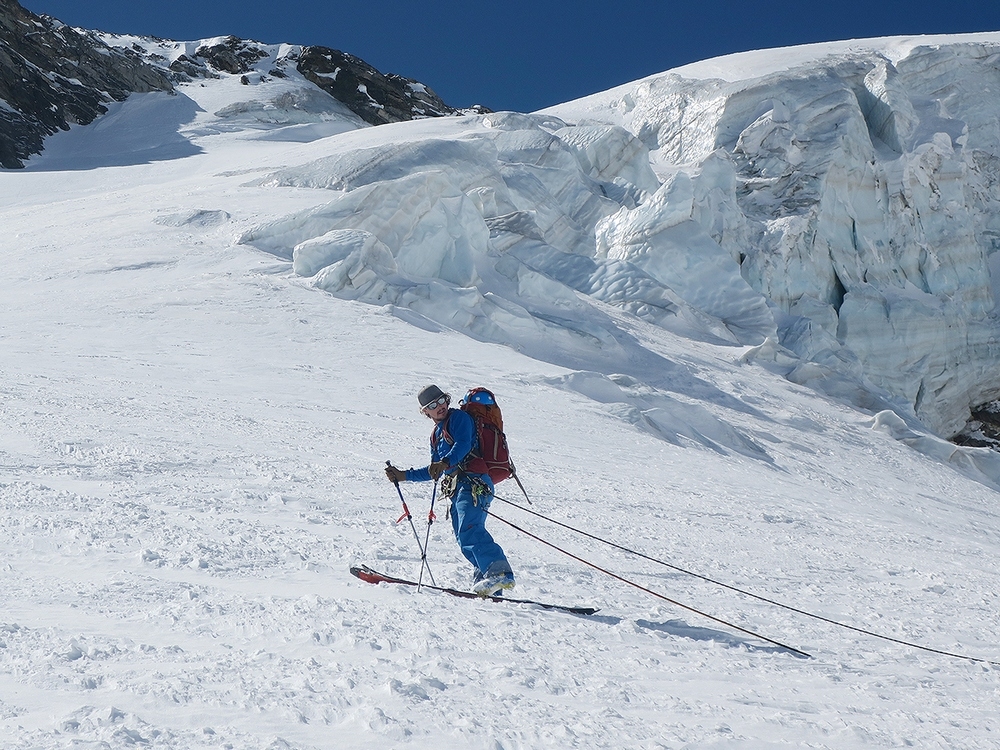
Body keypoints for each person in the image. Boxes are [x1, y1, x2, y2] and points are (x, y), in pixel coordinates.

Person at [385, 384, 515, 597]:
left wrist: (445, 462)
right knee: (464, 537)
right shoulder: (436, 435)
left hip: (474, 482)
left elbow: (463, 445)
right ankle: (489, 585)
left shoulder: (459, 419)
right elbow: (434, 470)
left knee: (469, 530)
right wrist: (403, 475)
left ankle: (500, 574)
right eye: (432, 405)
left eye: (442, 400)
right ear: (425, 412)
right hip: (459, 488)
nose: (440, 406)